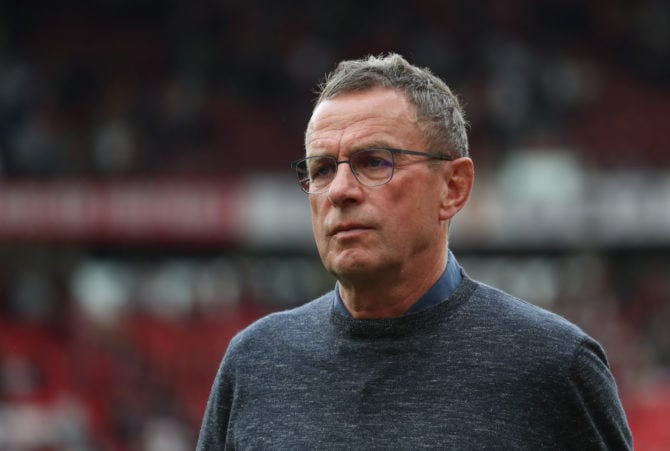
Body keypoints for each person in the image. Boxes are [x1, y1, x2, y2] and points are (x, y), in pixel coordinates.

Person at [197, 53, 633, 450]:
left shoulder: (555, 366)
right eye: (322, 169)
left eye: (374, 162)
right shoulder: (254, 362)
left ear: (453, 187)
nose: (340, 191)